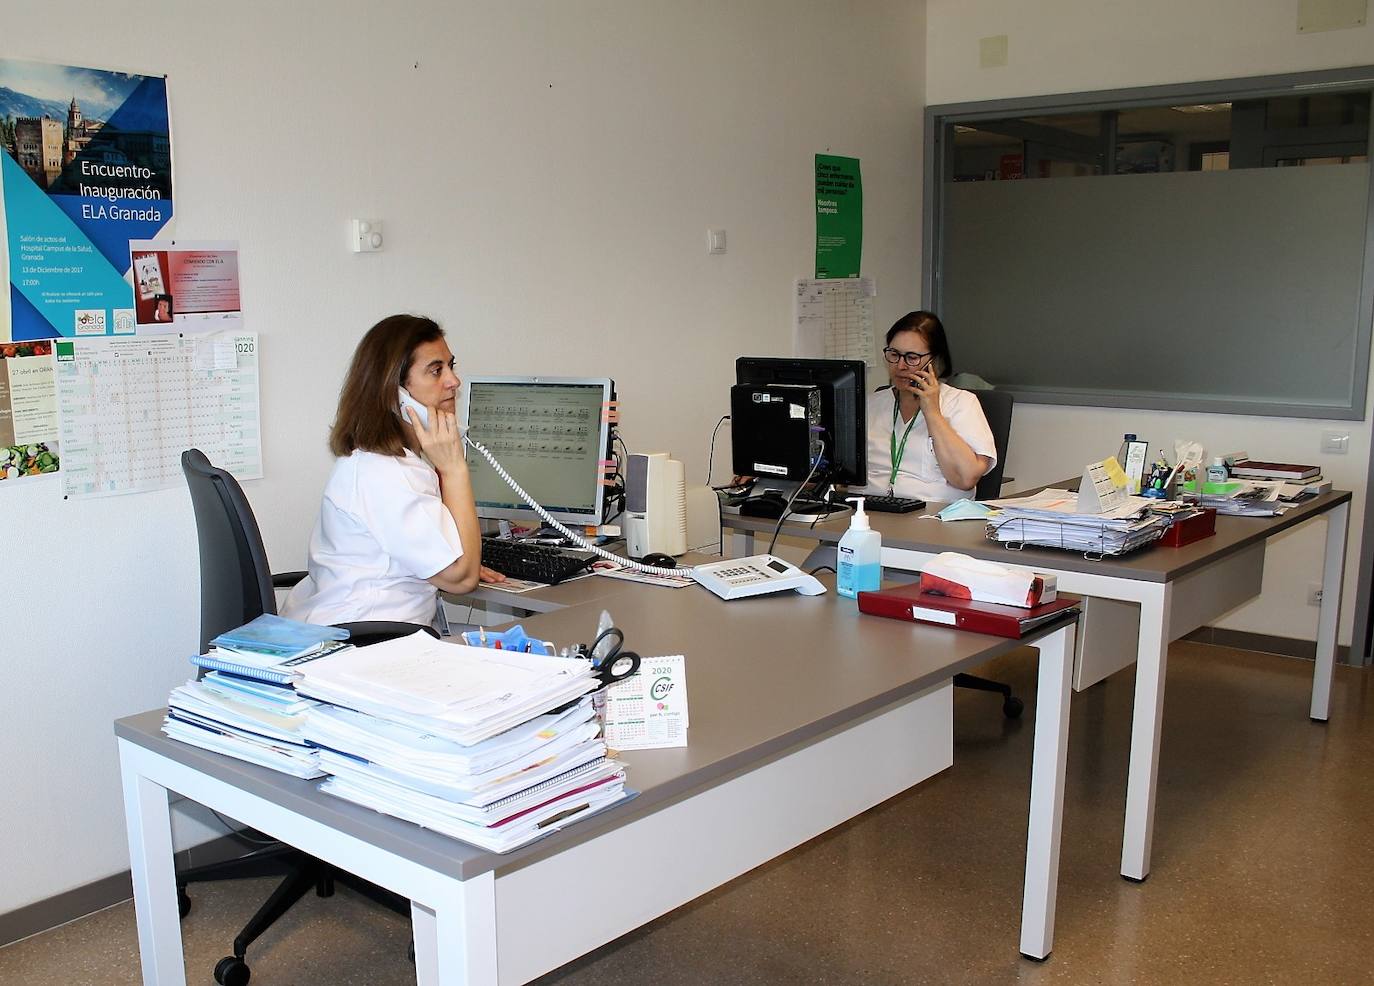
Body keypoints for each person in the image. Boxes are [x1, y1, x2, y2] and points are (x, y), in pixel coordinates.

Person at [282, 313, 502, 627]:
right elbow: (462, 579)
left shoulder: (382, 463)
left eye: (450, 366)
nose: (453, 381)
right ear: (394, 393)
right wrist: (453, 467)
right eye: (435, 370)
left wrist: (447, 557)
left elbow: (444, 562)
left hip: (362, 631)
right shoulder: (384, 473)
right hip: (366, 643)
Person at [862, 310, 996, 504]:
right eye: (894, 354)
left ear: (934, 361)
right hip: (868, 512)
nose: (900, 366)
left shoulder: (961, 403)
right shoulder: (871, 404)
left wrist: (932, 412)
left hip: (932, 519)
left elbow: (966, 479)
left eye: (912, 357)